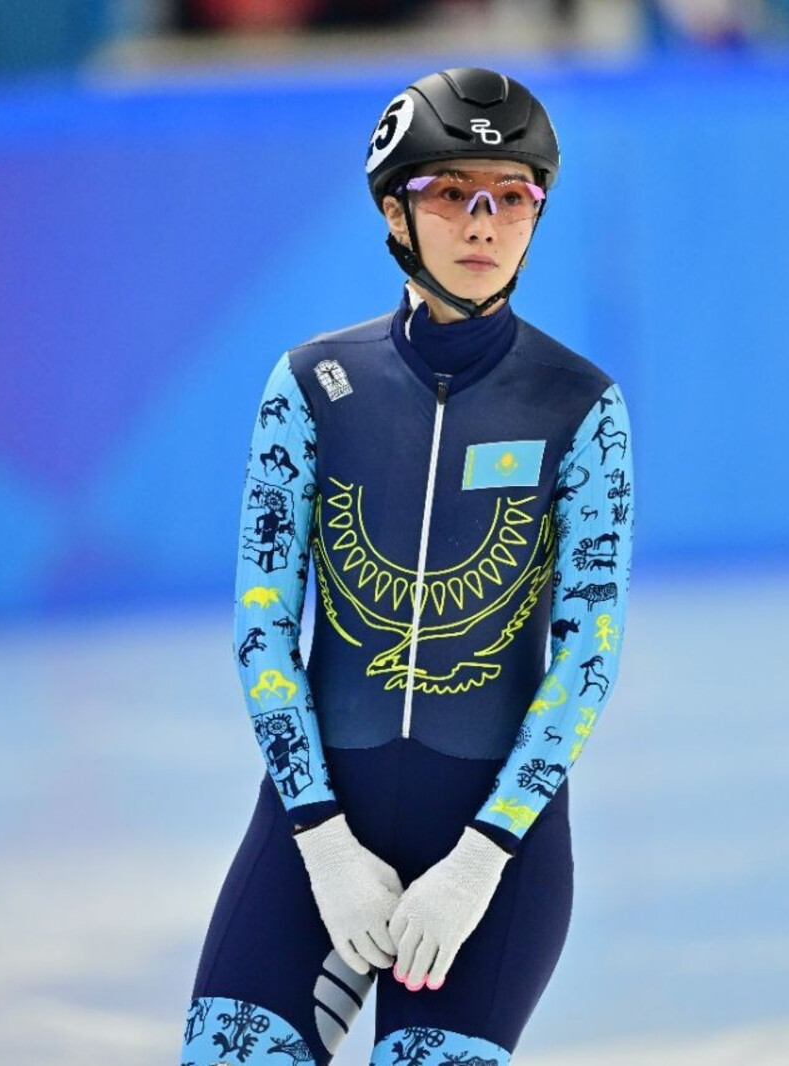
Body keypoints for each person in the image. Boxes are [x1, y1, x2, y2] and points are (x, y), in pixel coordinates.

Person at [181, 67, 635, 1066]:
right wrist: (320, 841)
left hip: (493, 856)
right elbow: (263, 629)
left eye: (511, 196)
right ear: (395, 211)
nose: (483, 223)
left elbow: (587, 654)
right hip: (316, 833)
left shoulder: (578, 406)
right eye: (450, 193)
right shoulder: (311, 386)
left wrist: (482, 857)